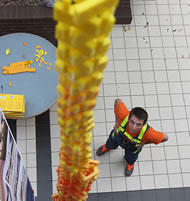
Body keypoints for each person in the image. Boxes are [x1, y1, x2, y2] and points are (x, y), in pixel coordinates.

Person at [96, 98, 168, 176]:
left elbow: (165, 137)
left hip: (132, 148)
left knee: (131, 157)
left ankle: (130, 164)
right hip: (117, 137)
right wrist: (117, 122)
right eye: (132, 122)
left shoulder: (149, 133)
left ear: (144, 124)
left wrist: (144, 143)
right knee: (111, 142)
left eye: (138, 124)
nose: (133, 127)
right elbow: (117, 101)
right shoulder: (122, 114)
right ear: (129, 118)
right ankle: (108, 147)